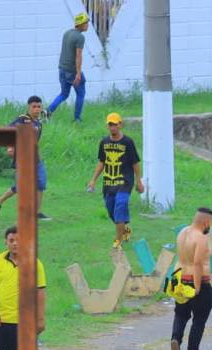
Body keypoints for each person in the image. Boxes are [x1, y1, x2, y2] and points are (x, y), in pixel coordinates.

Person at [86, 112, 143, 248]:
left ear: (120, 125)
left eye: (115, 124)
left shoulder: (128, 142)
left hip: (124, 182)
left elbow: (135, 163)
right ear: (107, 126)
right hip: (109, 183)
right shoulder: (104, 142)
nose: (112, 127)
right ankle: (125, 229)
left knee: (120, 205)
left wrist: (138, 181)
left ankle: (118, 241)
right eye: (110, 124)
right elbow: (101, 162)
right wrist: (93, 180)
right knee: (112, 210)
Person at [0, 95, 50, 220]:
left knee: (41, 183)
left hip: (36, 159)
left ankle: (37, 213)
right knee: (20, 186)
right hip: (23, 158)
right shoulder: (22, 120)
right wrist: (10, 147)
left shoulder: (39, 123)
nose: (37, 109)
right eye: (34, 107)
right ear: (28, 107)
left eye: (39, 107)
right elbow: (9, 132)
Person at [170, 207, 212, 350]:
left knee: (181, 313)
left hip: (180, 277)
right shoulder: (201, 238)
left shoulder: (183, 232)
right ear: (206, 221)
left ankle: (175, 338)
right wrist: (197, 286)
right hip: (197, 281)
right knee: (199, 319)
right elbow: (197, 263)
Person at [47, 12, 88, 122]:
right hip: (72, 71)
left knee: (64, 94)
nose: (87, 24)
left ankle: (47, 112)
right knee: (81, 93)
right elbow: (78, 56)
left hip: (62, 69)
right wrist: (78, 73)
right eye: (86, 22)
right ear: (80, 24)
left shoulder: (67, 33)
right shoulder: (80, 37)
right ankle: (77, 119)